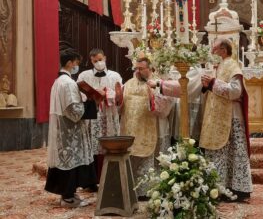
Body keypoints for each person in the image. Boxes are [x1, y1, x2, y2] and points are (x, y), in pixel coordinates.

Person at [199, 38, 252, 201]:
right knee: (220, 153)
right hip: (217, 116)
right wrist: (208, 84)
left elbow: (236, 92)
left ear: (223, 49)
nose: (212, 52)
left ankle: (236, 189)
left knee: (232, 152)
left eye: (214, 49)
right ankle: (219, 187)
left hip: (230, 117)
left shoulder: (233, 66)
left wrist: (213, 83)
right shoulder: (220, 65)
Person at [45, 48, 98, 208]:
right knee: (70, 162)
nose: (77, 66)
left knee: (66, 162)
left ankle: (69, 194)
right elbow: (74, 111)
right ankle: (68, 197)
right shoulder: (68, 83)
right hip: (69, 131)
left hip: (64, 130)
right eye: (76, 63)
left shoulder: (58, 81)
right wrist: (90, 101)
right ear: (69, 63)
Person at [118, 57, 174, 198]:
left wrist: (153, 98)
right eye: (136, 68)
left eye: (141, 68)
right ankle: (133, 190)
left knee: (154, 161)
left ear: (150, 68)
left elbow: (166, 106)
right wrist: (118, 99)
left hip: (154, 127)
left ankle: (152, 190)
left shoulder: (159, 83)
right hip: (132, 130)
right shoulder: (129, 84)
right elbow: (120, 106)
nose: (137, 71)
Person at [77, 48, 122, 182]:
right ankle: (92, 179)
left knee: (109, 142)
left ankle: (111, 176)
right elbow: (78, 93)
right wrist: (92, 94)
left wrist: (107, 93)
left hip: (109, 114)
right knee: (92, 144)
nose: (98, 63)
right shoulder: (84, 75)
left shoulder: (115, 76)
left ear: (105, 58)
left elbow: (120, 95)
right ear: (91, 60)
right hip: (92, 115)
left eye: (100, 60)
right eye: (95, 61)